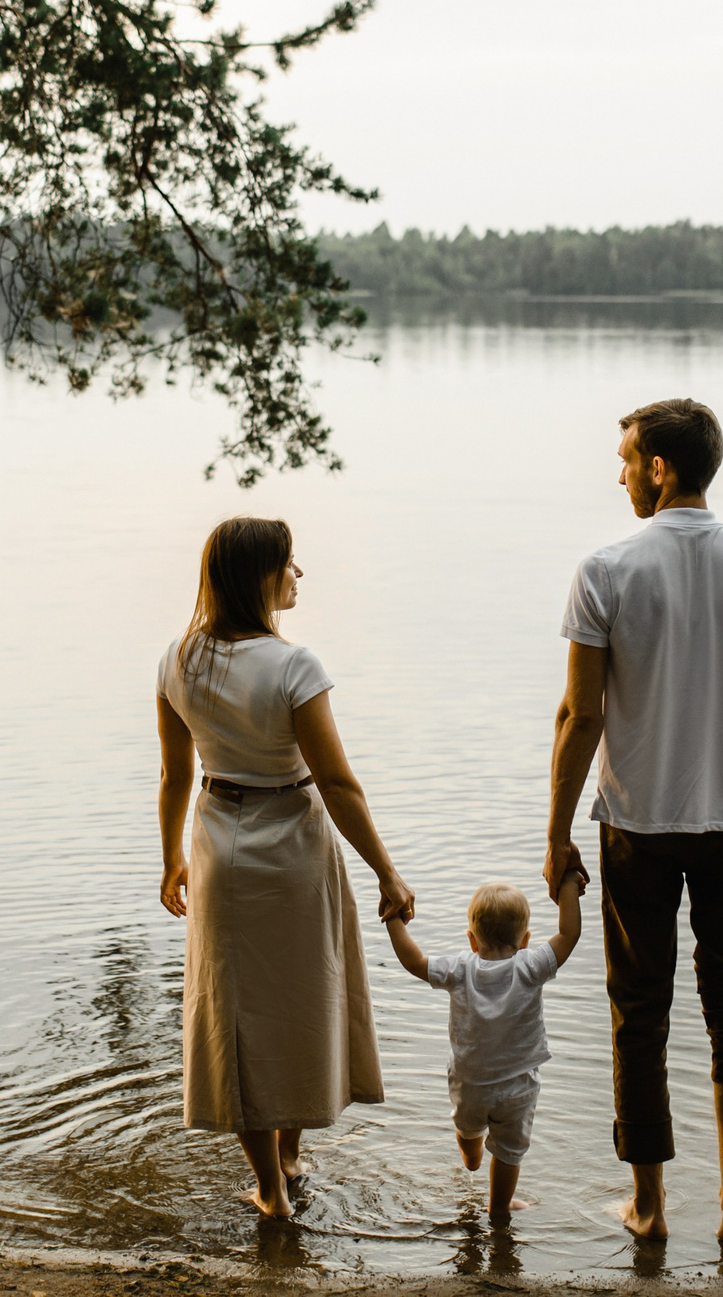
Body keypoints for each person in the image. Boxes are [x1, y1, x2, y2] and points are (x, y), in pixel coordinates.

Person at [545, 398, 723, 1242]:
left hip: (636, 825)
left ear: (660, 468)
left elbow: (579, 718)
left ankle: (649, 1209)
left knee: (638, 1009)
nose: (618, 473)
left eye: (625, 459)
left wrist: (558, 832)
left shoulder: (605, 569)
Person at [155, 516, 417, 1219]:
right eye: (290, 564)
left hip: (220, 845)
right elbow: (337, 782)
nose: (299, 574)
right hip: (296, 841)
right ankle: (290, 1160)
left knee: (236, 1015)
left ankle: (272, 1182)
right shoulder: (295, 665)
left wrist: (170, 857)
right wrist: (387, 872)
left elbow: (175, 776)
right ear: (260, 577)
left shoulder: (178, 660)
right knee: (304, 1003)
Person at [383, 874, 586, 1220]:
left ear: (472, 941)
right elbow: (569, 934)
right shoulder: (531, 966)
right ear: (525, 940)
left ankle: (471, 1155)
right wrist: (567, 885)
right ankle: (499, 1209)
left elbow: (414, 961)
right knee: (510, 1151)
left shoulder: (460, 968)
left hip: (469, 1083)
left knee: (467, 1127)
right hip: (518, 1086)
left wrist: (393, 919)